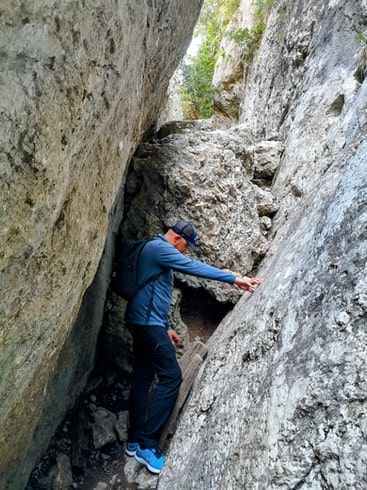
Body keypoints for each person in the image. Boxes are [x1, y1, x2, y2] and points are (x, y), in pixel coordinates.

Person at [124, 220, 262, 474]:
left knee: (143, 377)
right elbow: (193, 268)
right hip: (147, 326)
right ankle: (147, 444)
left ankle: (134, 440)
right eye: (186, 246)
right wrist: (234, 279)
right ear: (177, 239)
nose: (185, 251)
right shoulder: (161, 249)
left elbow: (153, 291)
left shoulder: (153, 249)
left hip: (146, 323)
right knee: (171, 377)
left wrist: (165, 325)